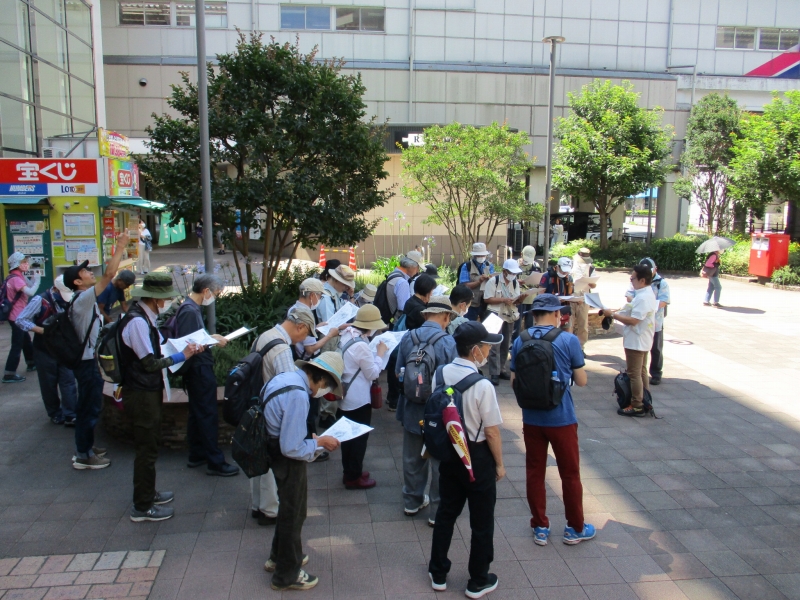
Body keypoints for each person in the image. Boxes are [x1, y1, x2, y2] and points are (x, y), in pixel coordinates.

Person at [428, 321, 505, 599]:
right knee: (481, 520)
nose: (487, 350)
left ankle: (438, 571)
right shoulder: (483, 385)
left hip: (450, 453)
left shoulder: (440, 373)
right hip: (478, 454)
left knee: (446, 512)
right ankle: (478, 579)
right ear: (474, 351)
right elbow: (492, 431)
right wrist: (499, 464)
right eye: (485, 346)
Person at [510, 294, 595, 546]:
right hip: (562, 418)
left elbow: (515, 382)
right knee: (570, 473)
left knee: (535, 471)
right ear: (557, 314)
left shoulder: (519, 340)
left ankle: (540, 527)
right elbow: (582, 381)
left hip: (532, 418)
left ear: (533, 315)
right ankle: (575, 528)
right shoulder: (568, 340)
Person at [120, 272, 203, 521]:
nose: (166, 302)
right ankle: (142, 506)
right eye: (165, 298)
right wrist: (182, 356)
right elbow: (149, 363)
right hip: (141, 392)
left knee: (150, 445)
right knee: (146, 449)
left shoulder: (143, 317)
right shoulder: (137, 322)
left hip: (145, 390)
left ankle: (148, 494)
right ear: (156, 300)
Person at [263, 352, 342, 591]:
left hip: (271, 446)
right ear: (320, 379)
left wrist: (311, 439)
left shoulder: (284, 378)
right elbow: (292, 447)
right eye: (326, 386)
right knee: (293, 512)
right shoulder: (298, 395)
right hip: (286, 458)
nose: (324, 391)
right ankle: (287, 574)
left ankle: (278, 557)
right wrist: (320, 443)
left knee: (289, 509)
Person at [64, 232, 130, 469]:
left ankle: (87, 447)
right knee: (89, 408)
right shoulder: (83, 300)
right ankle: (84, 455)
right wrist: (120, 246)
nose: (89, 272)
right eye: (84, 272)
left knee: (89, 406)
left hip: (86, 360)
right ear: (77, 282)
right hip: (85, 363)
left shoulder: (83, 300)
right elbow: (110, 274)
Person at [250, 306, 317, 526]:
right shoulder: (282, 350)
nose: (303, 339)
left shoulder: (266, 335)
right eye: (306, 333)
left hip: (258, 406)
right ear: (300, 326)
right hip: (274, 414)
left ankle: (258, 505)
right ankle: (270, 510)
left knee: (259, 460)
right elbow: (290, 388)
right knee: (272, 464)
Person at [396, 296, 457, 523]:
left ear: (425, 315)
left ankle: (411, 501)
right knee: (440, 460)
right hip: (439, 412)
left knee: (412, 457)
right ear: (445, 317)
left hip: (411, 407)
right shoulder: (448, 342)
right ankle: (436, 511)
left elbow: (398, 374)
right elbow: (452, 381)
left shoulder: (407, 337)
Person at [177, 274, 240, 476]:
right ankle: (215, 461)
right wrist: (212, 341)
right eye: (215, 294)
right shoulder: (189, 311)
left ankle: (197, 453)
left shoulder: (189, 308)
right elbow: (191, 345)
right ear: (206, 291)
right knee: (207, 413)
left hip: (197, 369)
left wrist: (209, 338)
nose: (215, 297)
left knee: (198, 413)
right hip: (199, 370)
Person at [15, 275, 78, 425]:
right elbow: (21, 319)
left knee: (68, 380)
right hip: (44, 347)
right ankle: (55, 413)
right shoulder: (40, 300)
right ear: (55, 288)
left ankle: (70, 413)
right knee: (48, 382)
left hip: (64, 347)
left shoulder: (73, 298)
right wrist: (42, 330)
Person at [337, 305, 388, 489]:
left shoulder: (347, 334)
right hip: (359, 398)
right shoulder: (361, 346)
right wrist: (380, 354)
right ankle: (354, 477)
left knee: (347, 439)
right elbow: (373, 373)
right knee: (359, 439)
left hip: (345, 395)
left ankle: (349, 472)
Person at [604, 265, 659, 417]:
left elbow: (634, 320)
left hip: (637, 340)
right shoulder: (644, 293)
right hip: (642, 339)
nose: (631, 281)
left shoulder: (643, 297)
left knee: (634, 373)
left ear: (642, 280)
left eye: (632, 278)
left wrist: (613, 316)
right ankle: (645, 400)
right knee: (641, 372)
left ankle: (637, 405)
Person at [384, 250, 424, 411]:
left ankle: (391, 396)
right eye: (418, 268)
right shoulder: (401, 282)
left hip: (391, 322)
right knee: (397, 361)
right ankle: (394, 398)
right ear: (412, 266)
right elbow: (404, 306)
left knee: (393, 360)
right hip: (398, 326)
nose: (418, 271)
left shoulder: (393, 275)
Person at [482, 259, 522, 386]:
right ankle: (494, 372)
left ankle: (502, 369)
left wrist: (519, 300)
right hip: (494, 313)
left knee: (506, 343)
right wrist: (504, 299)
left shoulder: (515, 283)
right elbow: (487, 299)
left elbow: (516, 298)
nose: (513, 275)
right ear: (505, 271)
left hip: (508, 314)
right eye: (511, 273)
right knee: (494, 344)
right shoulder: (493, 281)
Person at [2, 252, 40, 383]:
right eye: (24, 262)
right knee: (17, 345)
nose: (26, 264)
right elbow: (30, 291)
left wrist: (34, 278)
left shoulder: (13, 277)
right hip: (17, 316)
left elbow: (29, 285)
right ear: (17, 264)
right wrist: (38, 281)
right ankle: (9, 373)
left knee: (25, 340)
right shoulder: (16, 279)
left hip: (17, 315)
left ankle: (32, 362)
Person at [636, 258, 670, 385]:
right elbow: (629, 295)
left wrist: (649, 305)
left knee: (656, 348)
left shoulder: (662, 283)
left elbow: (664, 301)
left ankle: (656, 373)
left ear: (655, 269)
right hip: (640, 320)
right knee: (639, 347)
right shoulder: (638, 280)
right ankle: (639, 371)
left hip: (655, 322)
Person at [288, 278, 340, 360]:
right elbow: (310, 349)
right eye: (320, 296)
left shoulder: (293, 309)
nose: (320, 299)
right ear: (312, 295)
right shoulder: (306, 315)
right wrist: (330, 335)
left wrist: (315, 329)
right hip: (307, 360)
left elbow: (301, 332)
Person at [458, 243, 494, 321]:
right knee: (469, 324)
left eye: (482, 255)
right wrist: (479, 281)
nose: (481, 257)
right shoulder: (467, 266)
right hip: (471, 302)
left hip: (485, 301)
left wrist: (491, 279)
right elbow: (464, 285)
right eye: (479, 255)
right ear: (474, 255)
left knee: (486, 325)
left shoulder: (490, 265)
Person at [539, 257, 575, 333]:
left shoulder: (569, 278)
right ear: (557, 266)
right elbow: (540, 294)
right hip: (550, 310)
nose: (564, 273)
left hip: (565, 310)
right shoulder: (547, 276)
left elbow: (571, 293)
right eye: (563, 271)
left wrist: (575, 299)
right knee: (550, 334)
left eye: (566, 271)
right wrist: (553, 299)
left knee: (566, 335)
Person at [570, 248, 596, 353]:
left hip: (584, 297)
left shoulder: (591, 267)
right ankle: (568, 346)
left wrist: (591, 283)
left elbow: (594, 284)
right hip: (571, 296)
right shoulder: (571, 264)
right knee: (569, 323)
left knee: (583, 324)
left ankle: (581, 347)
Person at [516, 245, 542, 334]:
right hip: (519, 298)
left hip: (531, 298)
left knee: (530, 324)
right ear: (521, 254)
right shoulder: (515, 265)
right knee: (517, 323)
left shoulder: (536, 266)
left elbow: (539, 281)